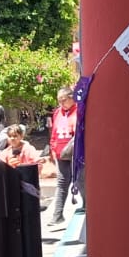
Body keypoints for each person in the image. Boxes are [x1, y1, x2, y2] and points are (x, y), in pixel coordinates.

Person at [47, 87, 81, 224]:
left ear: (71, 97)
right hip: (61, 152)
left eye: (64, 100)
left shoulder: (78, 110)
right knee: (62, 182)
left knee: (80, 181)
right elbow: (54, 132)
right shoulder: (57, 113)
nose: (61, 103)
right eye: (59, 100)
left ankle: (85, 207)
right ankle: (57, 215)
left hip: (75, 151)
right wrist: (53, 148)